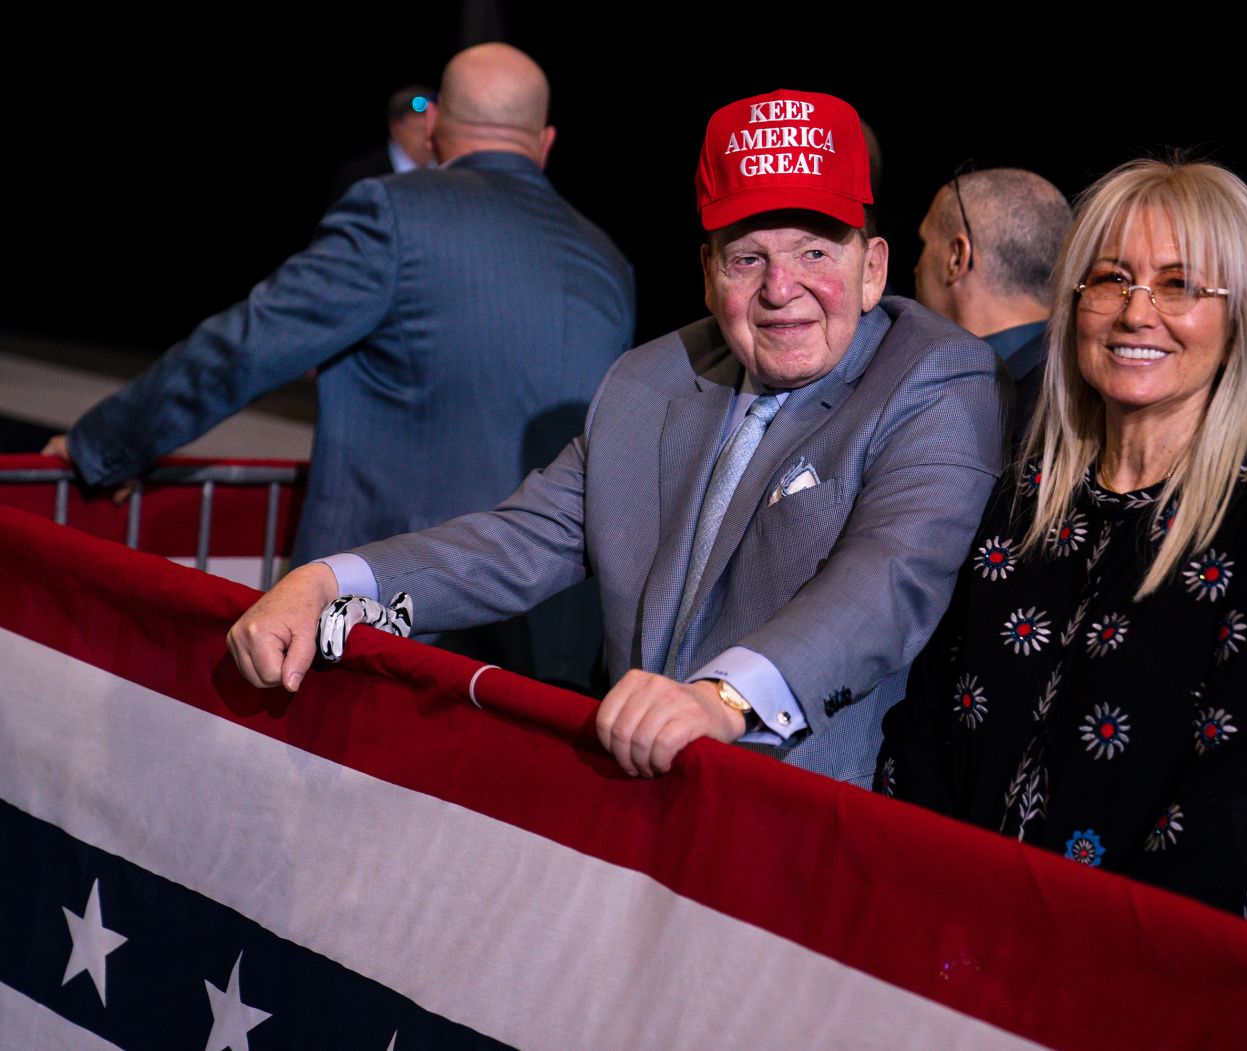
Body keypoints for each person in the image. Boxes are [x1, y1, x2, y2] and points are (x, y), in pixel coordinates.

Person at [227, 88, 1008, 786]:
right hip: (632, 800)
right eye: (748, 257)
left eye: (814, 251)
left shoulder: (934, 377)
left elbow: (886, 582)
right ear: (708, 275)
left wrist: (722, 698)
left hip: (798, 823)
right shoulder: (649, 379)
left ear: (873, 269)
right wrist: (331, 583)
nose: (781, 288)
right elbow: (520, 540)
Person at [47, 44, 635, 690]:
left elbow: (246, 348)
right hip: (550, 650)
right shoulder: (608, 262)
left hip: (386, 630)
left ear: (434, 127)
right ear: (545, 141)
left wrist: (101, 448)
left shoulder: (392, 211)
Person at [879, 159, 1247, 922]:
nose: (1136, 313)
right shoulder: (1028, 489)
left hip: (1139, 966)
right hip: (951, 929)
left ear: (1240, 319)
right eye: (1110, 278)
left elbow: (1227, 808)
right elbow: (927, 721)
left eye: (1180, 285)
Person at [913, 168, 1071, 441]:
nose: (916, 268)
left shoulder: (996, 402)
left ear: (957, 258)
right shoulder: (1074, 387)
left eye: (924, 245)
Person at [326, 84, 438, 204]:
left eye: (435, 130)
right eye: (419, 130)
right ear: (395, 130)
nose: (428, 139)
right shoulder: (361, 178)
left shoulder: (449, 170)